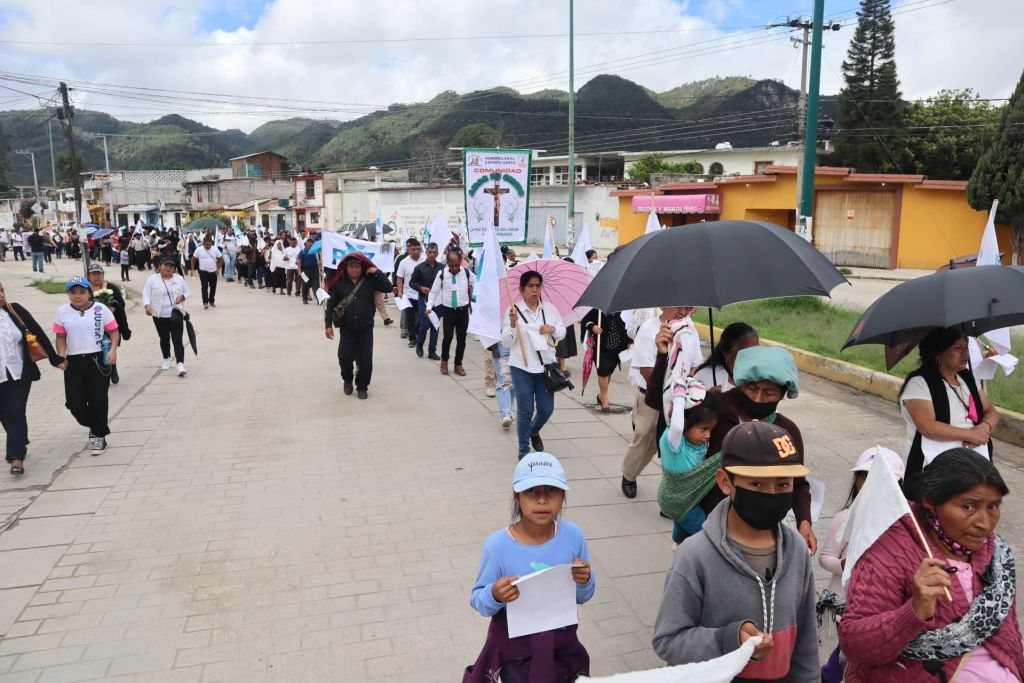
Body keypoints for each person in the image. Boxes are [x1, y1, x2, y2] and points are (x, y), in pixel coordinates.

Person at [652, 421, 819, 679]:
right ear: (725, 482)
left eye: (783, 485)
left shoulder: (796, 551)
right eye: (757, 484)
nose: (772, 494)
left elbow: (806, 643)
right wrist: (727, 640)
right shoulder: (695, 556)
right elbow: (668, 641)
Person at [839, 449, 1024, 682]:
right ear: (930, 502)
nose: (984, 524)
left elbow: (1010, 636)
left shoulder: (997, 552)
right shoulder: (890, 553)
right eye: (968, 507)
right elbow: (855, 646)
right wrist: (913, 611)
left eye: (993, 507)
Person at [647, 344, 817, 552]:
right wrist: (662, 356)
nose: (757, 398)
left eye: (769, 393)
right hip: (700, 523)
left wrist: (804, 521)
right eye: (752, 389)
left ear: (783, 393)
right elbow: (660, 405)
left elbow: (797, 483)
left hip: (755, 533)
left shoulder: (784, 432)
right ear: (741, 382)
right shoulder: (714, 408)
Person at [465, 452, 594, 682]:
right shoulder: (497, 546)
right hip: (516, 654)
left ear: (563, 496)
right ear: (517, 497)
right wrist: (495, 594)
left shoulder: (573, 535)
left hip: (560, 647)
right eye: (531, 491)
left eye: (552, 490)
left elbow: (583, 596)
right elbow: (479, 601)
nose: (542, 500)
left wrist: (585, 580)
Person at [817, 446, 905, 683]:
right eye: (864, 476)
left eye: (879, 478)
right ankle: (830, 677)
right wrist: (845, 565)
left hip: (883, 605)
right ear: (856, 480)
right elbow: (825, 557)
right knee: (849, 654)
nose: (869, 484)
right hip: (844, 603)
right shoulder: (844, 519)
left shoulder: (903, 525)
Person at [899, 328, 996, 501]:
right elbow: (927, 426)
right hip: (931, 466)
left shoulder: (966, 378)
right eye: (958, 348)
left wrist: (985, 426)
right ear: (938, 352)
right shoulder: (919, 384)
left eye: (967, 347)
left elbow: (991, 411)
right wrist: (970, 434)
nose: (965, 353)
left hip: (971, 466)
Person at [621, 308, 700, 499]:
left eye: (688, 306)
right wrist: (668, 389)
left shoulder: (689, 326)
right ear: (664, 304)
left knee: (669, 443)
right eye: (679, 305)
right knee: (644, 437)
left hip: (678, 398)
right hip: (651, 395)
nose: (684, 311)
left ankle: (670, 493)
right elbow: (646, 370)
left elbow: (695, 362)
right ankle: (629, 475)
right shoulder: (649, 329)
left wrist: (684, 386)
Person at [0, 280, 63, 475]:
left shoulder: (14, 310)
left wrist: (55, 358)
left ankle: (16, 458)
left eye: (1, 290)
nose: (1, 295)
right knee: (5, 414)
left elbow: (37, 331)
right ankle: (19, 438)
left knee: (16, 411)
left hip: (19, 372)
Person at [501, 271, 566, 460]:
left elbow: (562, 331)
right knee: (525, 408)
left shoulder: (550, 310)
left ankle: (533, 431)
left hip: (545, 367)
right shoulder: (513, 311)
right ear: (522, 289)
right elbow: (506, 342)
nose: (535, 290)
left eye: (538, 286)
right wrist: (512, 325)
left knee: (546, 409)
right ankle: (523, 449)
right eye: (530, 286)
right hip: (521, 366)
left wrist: (552, 328)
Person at [53, 276, 119, 456]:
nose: (77, 296)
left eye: (82, 292)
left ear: (89, 293)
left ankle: (99, 436)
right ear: (68, 294)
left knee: (98, 399)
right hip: (74, 362)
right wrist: (61, 357)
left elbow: (114, 331)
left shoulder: (100, 309)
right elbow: (60, 337)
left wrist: (113, 350)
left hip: (97, 360)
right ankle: (95, 425)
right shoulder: (62, 312)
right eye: (73, 292)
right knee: (74, 403)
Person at [324, 252, 393, 399]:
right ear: (346, 268)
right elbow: (330, 306)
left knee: (366, 361)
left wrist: (377, 272)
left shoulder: (370, 281)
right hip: (347, 329)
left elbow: (388, 287)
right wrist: (328, 325)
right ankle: (347, 379)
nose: (354, 269)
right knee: (344, 357)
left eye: (357, 266)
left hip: (366, 329)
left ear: (362, 268)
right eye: (351, 267)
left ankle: (362, 387)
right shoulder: (340, 284)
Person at [657, 386, 719, 549]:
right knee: (709, 537)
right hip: (678, 501)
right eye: (703, 429)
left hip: (686, 502)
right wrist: (678, 395)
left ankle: (678, 548)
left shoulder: (696, 442)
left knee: (681, 535)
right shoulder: (674, 444)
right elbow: (676, 427)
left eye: (711, 429)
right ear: (685, 422)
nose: (708, 435)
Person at [428, 247, 475, 376]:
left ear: (460, 262)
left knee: (462, 339)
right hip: (448, 311)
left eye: (457, 265)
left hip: (462, 310)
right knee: (447, 337)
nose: (454, 268)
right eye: (452, 265)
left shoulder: (466, 273)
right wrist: (429, 306)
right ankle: (444, 361)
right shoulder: (442, 274)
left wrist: (477, 299)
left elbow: (476, 283)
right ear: (447, 263)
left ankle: (458, 364)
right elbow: (434, 291)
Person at [143, 257, 190, 377]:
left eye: (171, 266)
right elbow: (146, 293)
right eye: (165, 265)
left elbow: (187, 292)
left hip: (176, 314)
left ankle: (180, 364)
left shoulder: (179, 278)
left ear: (174, 268)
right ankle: (166, 357)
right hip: (159, 314)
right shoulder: (152, 279)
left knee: (177, 339)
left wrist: (182, 297)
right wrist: (147, 305)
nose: (168, 267)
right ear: (160, 266)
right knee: (164, 338)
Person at [86, 264, 131, 386]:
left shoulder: (110, 288)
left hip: (109, 325)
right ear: (88, 276)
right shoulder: (85, 288)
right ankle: (100, 371)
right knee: (96, 349)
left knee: (109, 346)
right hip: (91, 324)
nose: (96, 276)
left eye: (99, 274)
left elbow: (121, 304)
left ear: (103, 275)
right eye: (93, 274)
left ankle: (112, 369)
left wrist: (113, 308)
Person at [581, 307, 629, 412]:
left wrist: (629, 340)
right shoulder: (597, 309)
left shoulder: (621, 308)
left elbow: (627, 325)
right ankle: (605, 399)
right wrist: (593, 326)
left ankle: (601, 395)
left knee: (608, 372)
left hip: (616, 347)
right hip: (601, 347)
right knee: (603, 371)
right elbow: (586, 321)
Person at [693, 322, 760, 391]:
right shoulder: (707, 379)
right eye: (747, 353)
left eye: (756, 351)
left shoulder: (761, 379)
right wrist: (709, 400)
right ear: (727, 354)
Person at [410, 242, 443, 359]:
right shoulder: (419, 268)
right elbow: (411, 283)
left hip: (438, 301)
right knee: (425, 324)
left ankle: (432, 351)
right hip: (423, 299)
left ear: (438, 253)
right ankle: (419, 343)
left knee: (435, 325)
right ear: (426, 252)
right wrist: (420, 288)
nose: (432, 254)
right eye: (430, 252)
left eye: (434, 252)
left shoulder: (442, 268)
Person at [395, 238, 424, 349]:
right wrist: (400, 292)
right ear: (409, 250)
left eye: (418, 249)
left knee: (421, 318)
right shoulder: (403, 262)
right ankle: (412, 338)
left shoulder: (424, 260)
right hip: (408, 295)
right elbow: (399, 278)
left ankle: (417, 333)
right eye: (413, 249)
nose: (416, 251)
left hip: (421, 295)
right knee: (410, 318)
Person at [191, 236, 223, 309]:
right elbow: (193, 259)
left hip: (213, 272)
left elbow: (221, 259)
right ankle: (205, 302)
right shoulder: (199, 249)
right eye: (206, 245)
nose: (207, 246)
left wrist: (218, 269)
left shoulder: (215, 249)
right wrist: (192, 269)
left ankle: (211, 301)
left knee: (213, 287)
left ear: (211, 243)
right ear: (204, 243)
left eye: (209, 244)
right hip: (203, 271)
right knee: (204, 286)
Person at [297, 238, 321, 304]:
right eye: (309, 242)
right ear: (306, 243)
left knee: (316, 287)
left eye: (311, 242)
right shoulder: (303, 251)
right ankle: (305, 299)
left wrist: (320, 263)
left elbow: (321, 259)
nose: (310, 243)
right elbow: (299, 261)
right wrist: (299, 270)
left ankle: (319, 299)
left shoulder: (317, 251)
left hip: (315, 271)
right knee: (305, 286)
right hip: (305, 271)